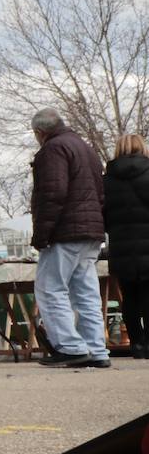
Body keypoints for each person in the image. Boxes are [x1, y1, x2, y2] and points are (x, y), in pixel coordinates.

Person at [30, 108, 110, 368]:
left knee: (50, 289)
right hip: (91, 232)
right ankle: (97, 350)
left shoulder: (52, 150)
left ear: (39, 132)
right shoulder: (86, 149)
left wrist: (42, 235)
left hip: (65, 232)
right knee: (86, 293)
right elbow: (100, 194)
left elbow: (52, 194)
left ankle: (71, 347)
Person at [104, 133, 149, 358]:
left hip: (122, 248)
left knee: (129, 298)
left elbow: (104, 216)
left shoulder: (107, 179)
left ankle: (137, 344)